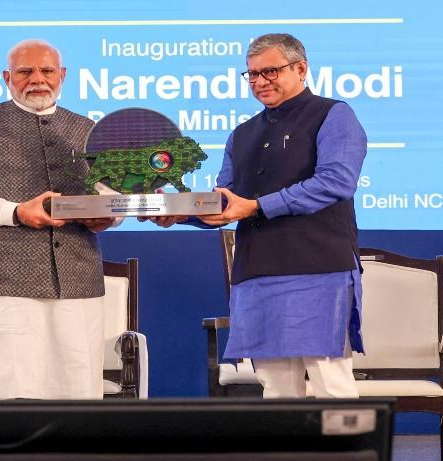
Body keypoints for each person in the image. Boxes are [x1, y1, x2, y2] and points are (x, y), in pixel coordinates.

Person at [154, 33, 367, 398]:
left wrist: (256, 206)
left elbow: (336, 182)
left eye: (270, 71)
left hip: (319, 269)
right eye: (251, 74)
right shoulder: (242, 134)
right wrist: (178, 212)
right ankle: (287, 459)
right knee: (276, 390)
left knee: (331, 385)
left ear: (301, 68)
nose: (259, 82)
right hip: (257, 271)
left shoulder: (334, 114)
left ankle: (345, 457)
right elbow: (225, 201)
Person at [0, 39, 114, 399]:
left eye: (47, 70)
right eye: (25, 71)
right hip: (0, 284)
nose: (37, 79)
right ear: (7, 77)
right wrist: (15, 212)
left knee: (79, 393)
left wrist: (106, 217)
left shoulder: (90, 130)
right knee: (8, 395)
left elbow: (108, 198)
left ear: (62, 75)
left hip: (77, 282)